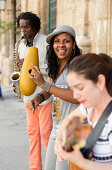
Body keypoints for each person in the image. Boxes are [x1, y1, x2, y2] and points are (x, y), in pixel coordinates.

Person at [28, 25, 82, 170]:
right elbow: (52, 88)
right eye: (57, 41)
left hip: (74, 128)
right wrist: (39, 96)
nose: (61, 45)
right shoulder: (56, 65)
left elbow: (78, 97)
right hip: (57, 127)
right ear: (52, 45)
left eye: (66, 41)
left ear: (74, 44)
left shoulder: (79, 66)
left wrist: (43, 84)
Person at [54, 53, 112, 170]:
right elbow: (69, 119)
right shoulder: (89, 107)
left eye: (80, 88)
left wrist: (81, 162)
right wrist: (60, 140)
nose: (75, 96)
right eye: (73, 89)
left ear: (100, 81)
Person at [16, 12, 53, 170]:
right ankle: (35, 167)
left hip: (44, 95)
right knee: (33, 134)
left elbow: (53, 69)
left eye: (27, 27)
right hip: (27, 97)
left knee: (46, 133)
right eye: (21, 27)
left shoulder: (46, 43)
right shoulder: (21, 45)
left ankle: (53, 165)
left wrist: (31, 66)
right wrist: (20, 66)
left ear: (35, 26)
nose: (23, 31)